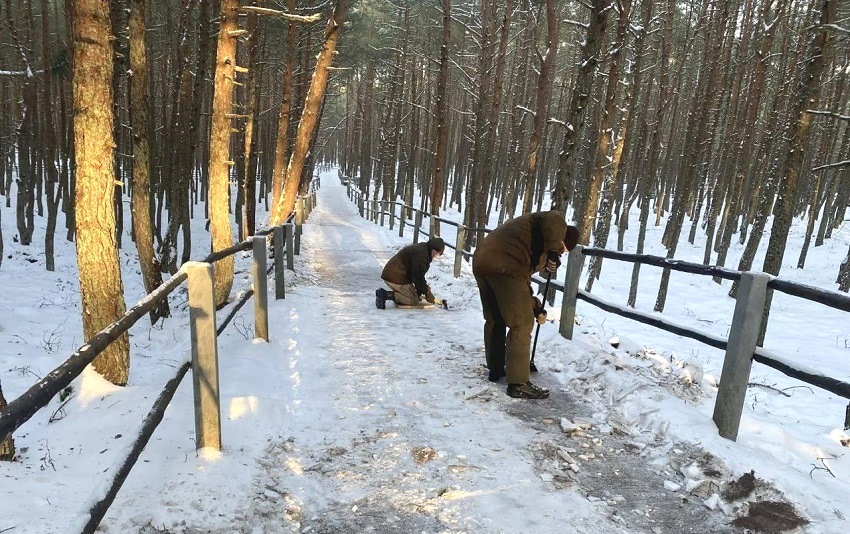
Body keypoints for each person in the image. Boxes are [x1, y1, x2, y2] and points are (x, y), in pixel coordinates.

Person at [472, 212, 579, 399]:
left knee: (495, 318)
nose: (560, 254)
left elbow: (521, 285)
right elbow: (554, 218)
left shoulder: (528, 239)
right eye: (563, 250)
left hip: (483, 261)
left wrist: (535, 306)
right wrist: (554, 250)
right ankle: (519, 383)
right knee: (521, 324)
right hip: (505, 265)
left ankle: (496, 369)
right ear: (561, 240)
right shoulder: (555, 224)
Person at [376, 237, 445, 309]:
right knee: (412, 300)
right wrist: (426, 292)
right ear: (432, 248)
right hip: (395, 275)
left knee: (415, 295)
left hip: (398, 274)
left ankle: (403, 294)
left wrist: (421, 291)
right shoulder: (421, 254)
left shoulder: (424, 250)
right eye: (437, 252)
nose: (438, 255)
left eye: (440, 253)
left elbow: (417, 274)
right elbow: (417, 276)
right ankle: (385, 295)